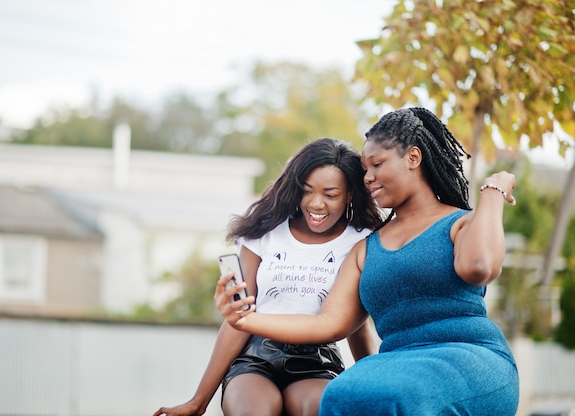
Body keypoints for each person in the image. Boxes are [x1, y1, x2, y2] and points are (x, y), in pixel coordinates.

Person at [215, 107, 520, 415]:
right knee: (342, 394)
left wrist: (493, 192)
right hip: (397, 362)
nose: (367, 177)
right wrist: (244, 319)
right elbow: (328, 324)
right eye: (364, 168)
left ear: (413, 158)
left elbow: (479, 267)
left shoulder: (460, 224)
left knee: (398, 397)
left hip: (468, 355)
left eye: (377, 164)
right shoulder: (364, 248)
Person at [154, 138, 384, 416]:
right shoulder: (265, 232)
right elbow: (239, 319)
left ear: (349, 195)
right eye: (307, 191)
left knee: (317, 408)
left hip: (316, 362)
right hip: (255, 358)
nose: (316, 204)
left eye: (330, 194)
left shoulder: (361, 241)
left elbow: (356, 324)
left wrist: (375, 384)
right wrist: (198, 400)